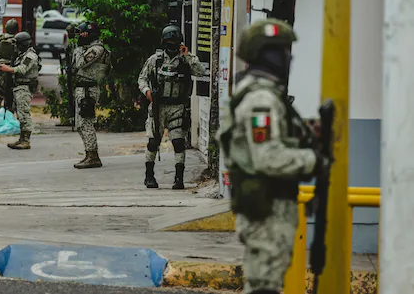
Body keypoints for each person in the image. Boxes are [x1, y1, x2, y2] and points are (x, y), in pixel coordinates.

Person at [218, 19, 327, 294]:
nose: (289, 58)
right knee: (264, 287)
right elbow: (267, 157)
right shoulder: (261, 100)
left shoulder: (262, 94)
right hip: (267, 210)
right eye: (283, 51)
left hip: (269, 206)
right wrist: (313, 161)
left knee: (264, 284)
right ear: (268, 54)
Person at [138, 24, 205, 189]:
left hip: (177, 107)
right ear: (164, 41)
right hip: (158, 107)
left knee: (178, 142)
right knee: (153, 142)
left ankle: (179, 178)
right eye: (169, 41)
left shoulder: (185, 60)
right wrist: (147, 91)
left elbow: (201, 72)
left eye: (175, 41)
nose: (172, 44)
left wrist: (187, 55)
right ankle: (149, 176)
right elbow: (142, 78)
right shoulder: (156, 60)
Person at [71, 22, 111, 169]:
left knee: (86, 123)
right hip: (83, 88)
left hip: (88, 90)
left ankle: (93, 156)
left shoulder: (96, 49)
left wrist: (79, 47)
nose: (80, 36)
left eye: (82, 33)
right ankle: (89, 153)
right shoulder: (89, 48)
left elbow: (80, 63)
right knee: (80, 124)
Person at [0, 31, 41, 150]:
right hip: (19, 87)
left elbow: (22, 69)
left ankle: (26, 140)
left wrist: (8, 69)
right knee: (20, 114)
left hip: (25, 87)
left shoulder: (30, 56)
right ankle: (22, 139)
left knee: (24, 114)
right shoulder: (22, 55)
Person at [0, 19, 19, 110]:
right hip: (13, 70)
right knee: (12, 94)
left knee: (0, 93)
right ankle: (9, 114)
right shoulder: (17, 41)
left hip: (1, 70)